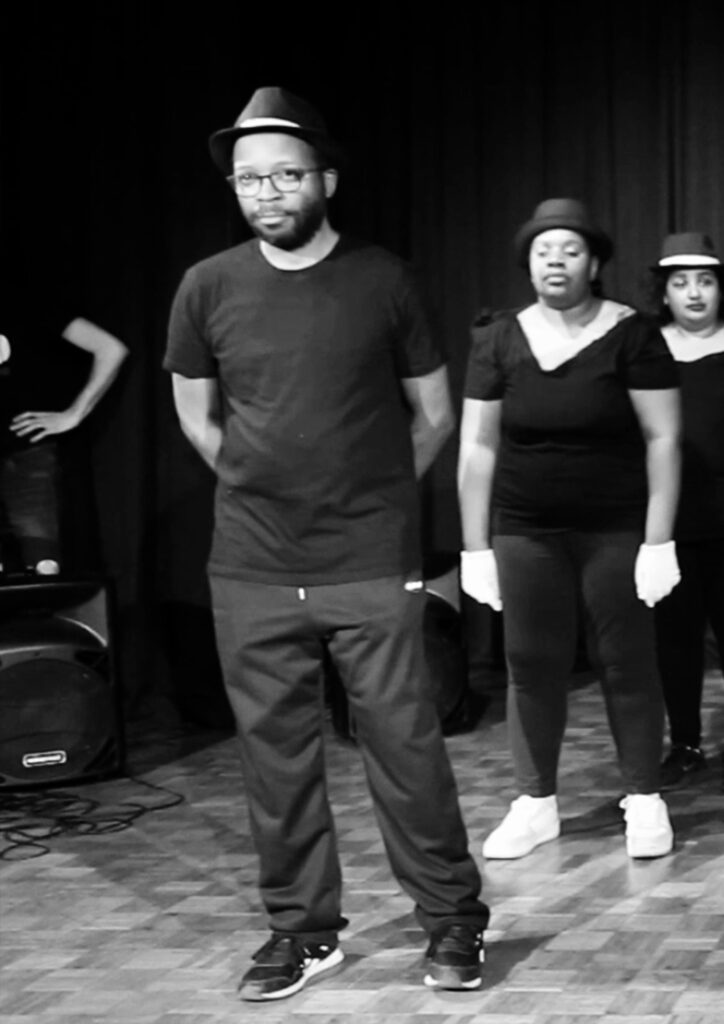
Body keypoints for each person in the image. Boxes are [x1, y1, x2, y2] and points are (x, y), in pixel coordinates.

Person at [163, 86, 489, 1002]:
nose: (267, 192)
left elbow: (434, 413)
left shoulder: (385, 279)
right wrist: (258, 483)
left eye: (286, 174)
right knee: (275, 758)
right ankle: (302, 932)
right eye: (249, 179)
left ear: (326, 180)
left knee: (405, 746)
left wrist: (374, 499)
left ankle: (452, 917)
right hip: (253, 563)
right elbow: (195, 414)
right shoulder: (206, 285)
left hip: (367, 558)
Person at [458, 198, 682, 861]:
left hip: (614, 527)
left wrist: (658, 538)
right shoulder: (498, 338)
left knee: (627, 662)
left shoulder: (633, 335)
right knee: (531, 664)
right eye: (542, 251)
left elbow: (663, 438)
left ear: (594, 263)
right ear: (527, 263)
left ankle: (644, 796)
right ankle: (535, 803)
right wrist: (474, 548)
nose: (555, 262)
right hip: (526, 529)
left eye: (571, 250)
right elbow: (477, 447)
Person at [648, 232, 724, 788]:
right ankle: (686, 743)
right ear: (664, 292)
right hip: (669, 518)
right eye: (681, 283)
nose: (694, 293)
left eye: (705, 281)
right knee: (674, 641)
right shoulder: (646, 351)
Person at [0, 313, 128, 575]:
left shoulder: (23, 302)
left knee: (43, 565)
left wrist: (74, 414)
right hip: (28, 457)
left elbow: (111, 349)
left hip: (27, 455)